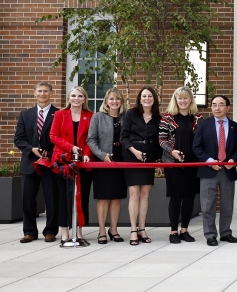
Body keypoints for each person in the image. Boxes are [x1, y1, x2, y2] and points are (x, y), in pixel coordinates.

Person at [14, 82, 59, 243]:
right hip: (29, 163)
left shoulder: (58, 114)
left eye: (45, 91)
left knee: (52, 199)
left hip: (50, 163)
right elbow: (18, 139)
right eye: (39, 91)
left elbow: (61, 139)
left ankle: (51, 231)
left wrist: (51, 154)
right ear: (34, 93)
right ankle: (30, 231)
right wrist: (31, 149)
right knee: (27, 199)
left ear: (51, 93)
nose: (42, 94)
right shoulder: (25, 115)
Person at [193, 95, 237, 246]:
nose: (217, 108)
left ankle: (226, 233)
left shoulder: (235, 126)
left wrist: (233, 160)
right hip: (209, 170)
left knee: (227, 204)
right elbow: (197, 147)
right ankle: (210, 235)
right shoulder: (203, 125)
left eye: (221, 105)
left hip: (228, 170)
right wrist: (209, 161)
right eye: (214, 105)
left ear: (228, 107)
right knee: (207, 205)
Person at [50, 86, 93, 246]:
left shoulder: (90, 116)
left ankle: (79, 232)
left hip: (82, 163)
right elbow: (53, 136)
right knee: (63, 198)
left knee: (81, 197)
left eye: (80, 96)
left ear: (84, 99)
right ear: (69, 98)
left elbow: (91, 138)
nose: (76, 98)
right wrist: (71, 148)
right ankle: (65, 233)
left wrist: (87, 153)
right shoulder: (60, 114)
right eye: (73, 95)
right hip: (62, 162)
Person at [158, 87, 202, 244]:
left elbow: (202, 139)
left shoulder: (198, 117)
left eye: (186, 98)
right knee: (176, 197)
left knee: (189, 197)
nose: (183, 101)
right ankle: (173, 232)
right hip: (173, 163)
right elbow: (162, 140)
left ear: (190, 100)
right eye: (180, 98)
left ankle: (185, 230)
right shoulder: (167, 118)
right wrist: (172, 151)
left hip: (192, 163)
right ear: (175, 100)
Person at [120, 86, 162, 246]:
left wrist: (158, 162)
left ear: (154, 99)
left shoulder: (158, 117)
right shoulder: (131, 114)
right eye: (144, 96)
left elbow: (159, 141)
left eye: (149, 96)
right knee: (134, 194)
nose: (146, 98)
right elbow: (123, 137)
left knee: (145, 194)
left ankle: (142, 228)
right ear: (139, 98)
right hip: (132, 156)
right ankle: (133, 230)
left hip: (149, 157)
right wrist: (135, 152)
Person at [86, 87, 128, 244]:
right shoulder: (98, 117)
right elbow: (91, 139)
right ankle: (102, 230)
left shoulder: (125, 118)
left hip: (121, 161)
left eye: (117, 99)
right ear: (106, 101)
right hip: (102, 161)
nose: (114, 101)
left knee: (117, 197)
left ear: (121, 101)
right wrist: (102, 155)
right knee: (103, 197)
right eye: (111, 99)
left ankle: (114, 229)